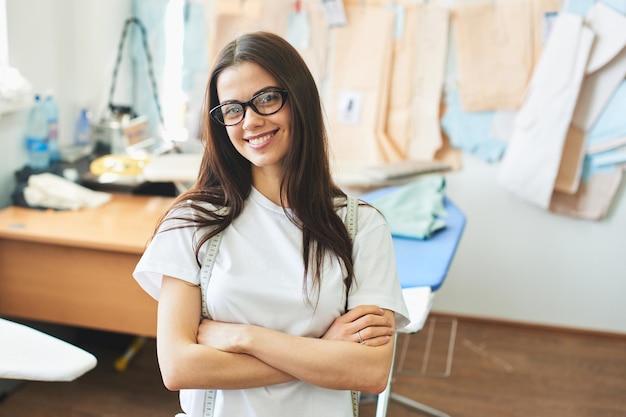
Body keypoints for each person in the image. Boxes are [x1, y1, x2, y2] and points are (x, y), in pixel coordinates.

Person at [133, 31, 410, 417]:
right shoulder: (192, 221)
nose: (251, 121)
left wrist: (242, 337)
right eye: (232, 109)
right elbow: (179, 367)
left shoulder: (360, 226)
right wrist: (324, 353)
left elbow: (370, 371)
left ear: (299, 99)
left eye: (266, 99)